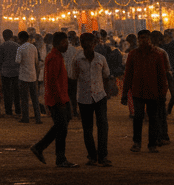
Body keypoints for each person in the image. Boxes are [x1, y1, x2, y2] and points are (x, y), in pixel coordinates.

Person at [29, 31, 77, 167]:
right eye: (65, 43)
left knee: (61, 127)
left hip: (60, 97)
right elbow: (53, 81)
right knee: (61, 128)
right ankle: (57, 156)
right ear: (60, 43)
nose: (67, 46)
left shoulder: (55, 56)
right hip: (57, 99)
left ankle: (43, 149)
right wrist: (60, 100)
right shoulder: (54, 58)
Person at [122, 30, 167, 153]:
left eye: (145, 38)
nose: (143, 40)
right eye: (141, 38)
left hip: (153, 92)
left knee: (153, 118)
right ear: (138, 40)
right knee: (138, 118)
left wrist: (163, 92)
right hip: (138, 92)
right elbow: (128, 75)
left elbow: (161, 75)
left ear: (149, 39)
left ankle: (151, 144)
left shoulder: (157, 55)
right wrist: (125, 93)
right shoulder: (133, 55)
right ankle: (137, 143)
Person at [72, 32, 112, 166]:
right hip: (84, 98)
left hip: (100, 96)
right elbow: (73, 77)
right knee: (88, 129)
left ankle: (102, 156)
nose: (88, 47)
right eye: (86, 45)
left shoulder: (101, 59)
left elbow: (106, 76)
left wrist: (105, 92)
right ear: (82, 45)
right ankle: (92, 156)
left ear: (94, 44)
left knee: (102, 127)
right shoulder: (77, 60)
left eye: (90, 44)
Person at [17, 30, 41, 123]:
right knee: (35, 98)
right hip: (33, 75)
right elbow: (36, 61)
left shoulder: (20, 48)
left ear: (21, 39)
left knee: (24, 98)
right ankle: (38, 118)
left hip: (23, 76)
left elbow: (18, 61)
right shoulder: (33, 47)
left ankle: (25, 117)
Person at [0, 30, 19, 117]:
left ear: (3, 36)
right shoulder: (17, 46)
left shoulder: (1, 46)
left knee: (7, 92)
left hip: (5, 72)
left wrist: (1, 68)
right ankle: (18, 110)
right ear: (12, 36)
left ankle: (8, 111)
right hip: (16, 71)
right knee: (16, 91)